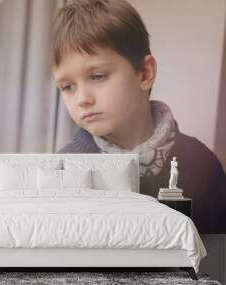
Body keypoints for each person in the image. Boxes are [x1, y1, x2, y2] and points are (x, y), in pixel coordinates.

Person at [52, 0, 226, 233]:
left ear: (144, 74)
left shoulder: (203, 164)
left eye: (98, 76)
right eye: (67, 87)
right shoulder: (62, 171)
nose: (82, 98)